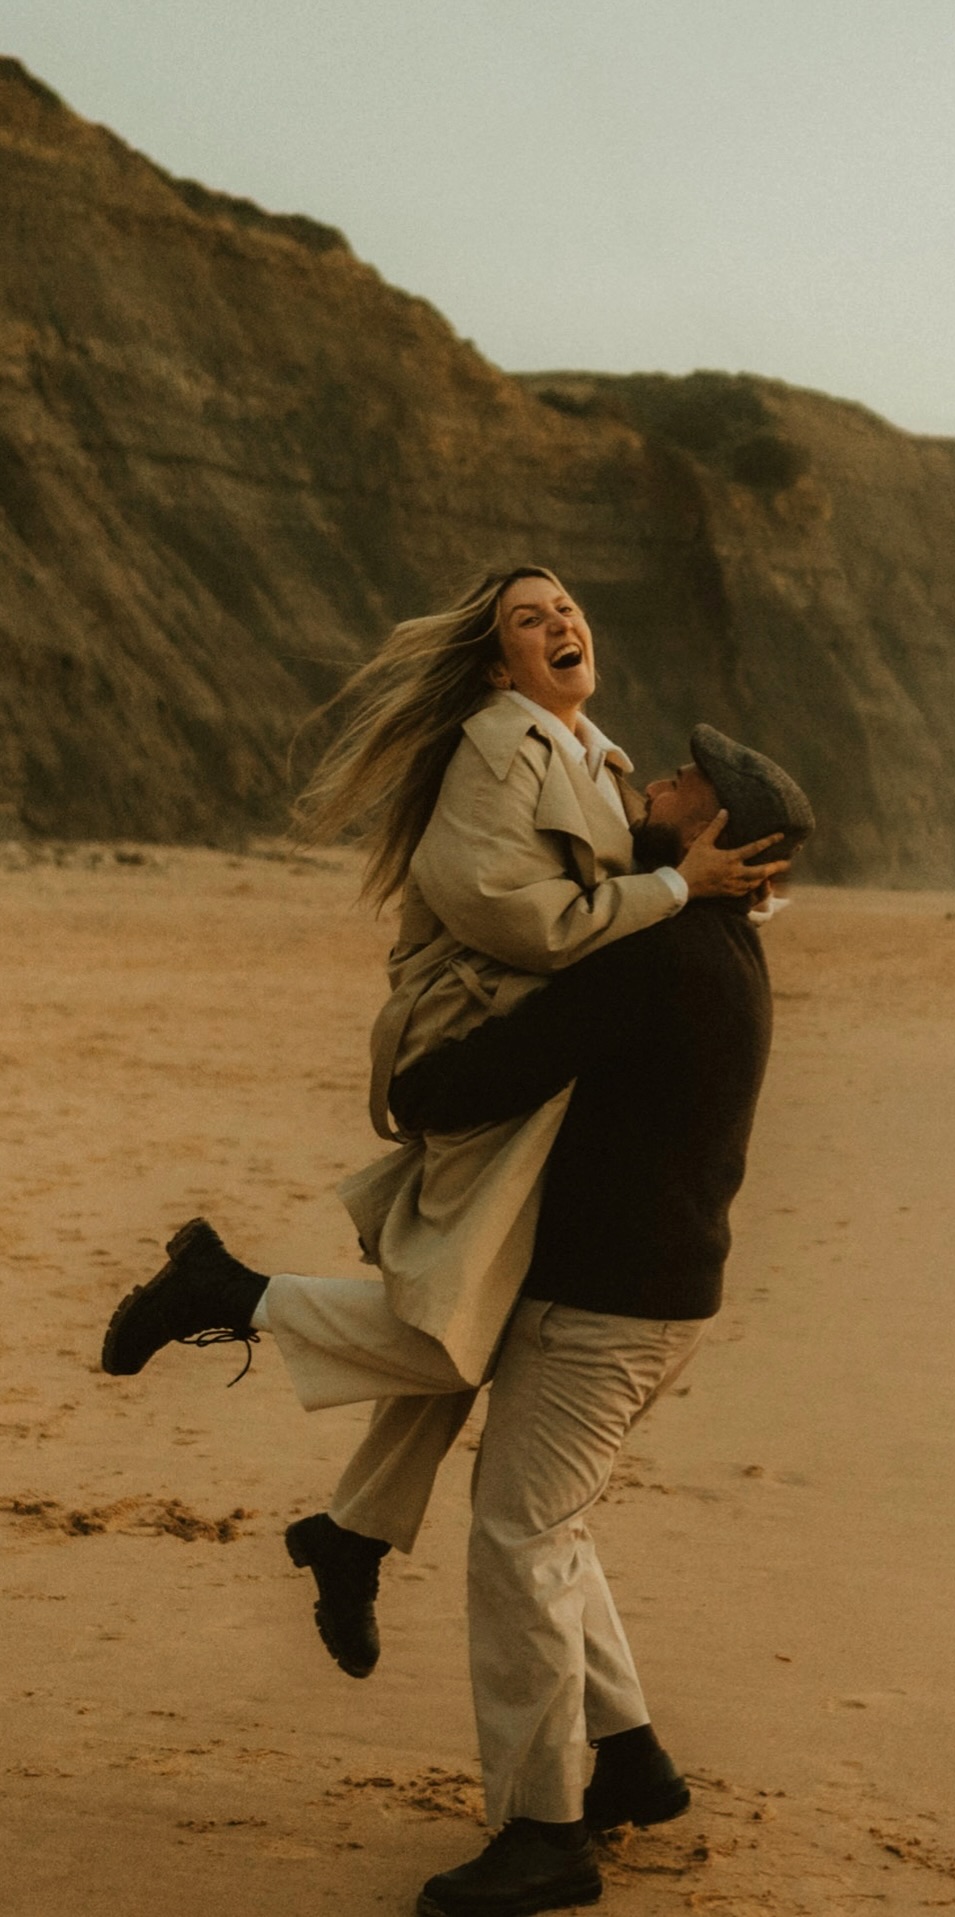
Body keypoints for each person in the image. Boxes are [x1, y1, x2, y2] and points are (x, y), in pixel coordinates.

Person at [104, 728, 813, 1917]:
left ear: (721, 834)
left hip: (608, 1305)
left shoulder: (666, 952)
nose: (663, 781)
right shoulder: (719, 945)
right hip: (644, 1291)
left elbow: (496, 1070)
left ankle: (547, 1835)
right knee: (530, 1487)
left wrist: (421, 1087)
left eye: (689, 783)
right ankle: (630, 1759)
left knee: (521, 1538)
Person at [102, 566, 786, 1673]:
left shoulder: (593, 755)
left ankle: (352, 1530)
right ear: (494, 662)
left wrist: (702, 892)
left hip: (538, 1047)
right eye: (530, 619)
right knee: (460, 1320)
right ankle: (223, 1296)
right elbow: (517, 923)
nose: (561, 623)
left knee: (478, 1315)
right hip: (474, 1035)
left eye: (565, 607)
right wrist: (678, 893)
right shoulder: (493, 749)